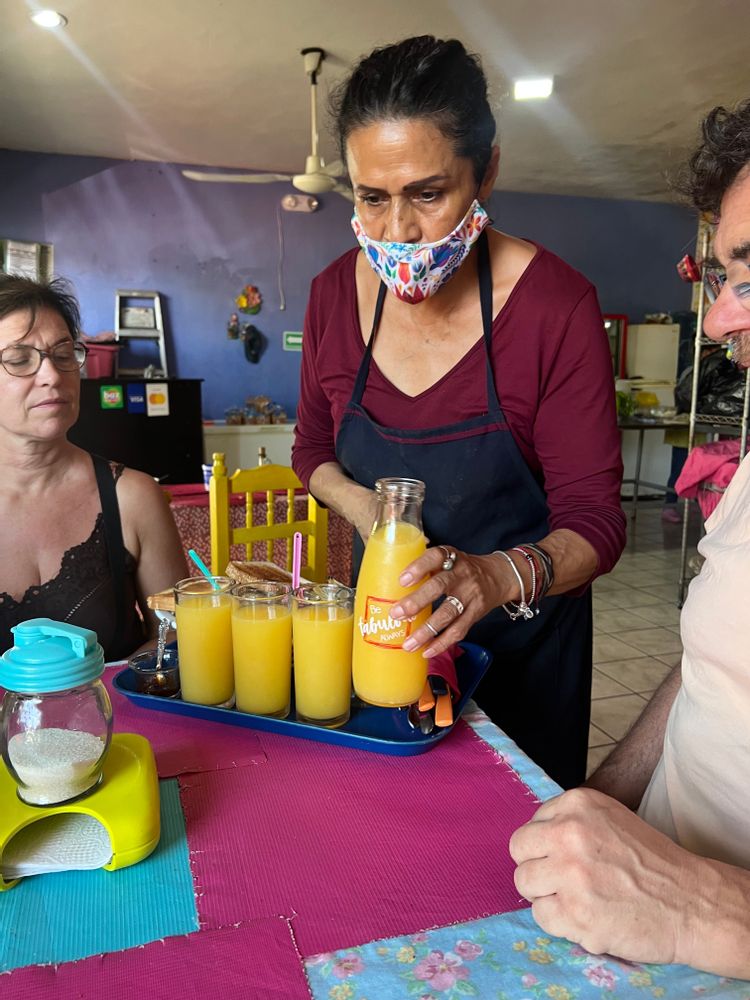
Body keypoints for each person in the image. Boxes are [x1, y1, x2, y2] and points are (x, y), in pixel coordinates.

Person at [292, 35, 626, 789]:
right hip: (388, 641)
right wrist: (368, 510)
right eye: (371, 198)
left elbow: (597, 524)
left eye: (428, 194)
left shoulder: (554, 307)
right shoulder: (330, 297)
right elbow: (311, 448)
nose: (398, 232)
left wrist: (493, 578)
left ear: (487, 172)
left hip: (523, 662)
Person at [509, 99, 750, 978]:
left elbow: (592, 518)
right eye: (725, 278)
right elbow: (710, 668)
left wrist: (697, 907)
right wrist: (602, 798)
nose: (717, 321)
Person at [0, 274, 187, 660]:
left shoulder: (133, 498)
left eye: (63, 355)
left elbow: (175, 636)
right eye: (19, 359)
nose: (52, 376)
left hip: (111, 704)